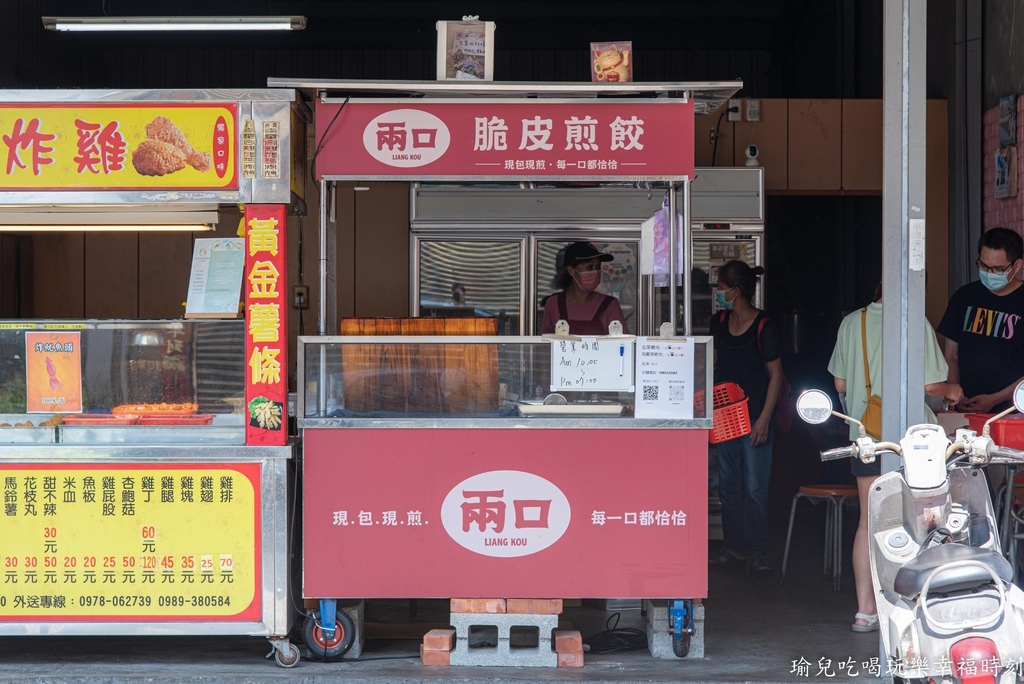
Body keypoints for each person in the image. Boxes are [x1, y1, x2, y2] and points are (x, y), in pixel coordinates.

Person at [828, 284, 962, 633]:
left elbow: (840, 385)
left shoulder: (851, 323)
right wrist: (953, 390)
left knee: (868, 523)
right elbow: (932, 386)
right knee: (924, 522)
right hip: (913, 441)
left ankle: (865, 611)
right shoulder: (915, 323)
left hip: (866, 437)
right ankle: (917, 608)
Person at [708, 260, 782, 577]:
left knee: (754, 489)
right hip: (725, 419)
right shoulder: (720, 322)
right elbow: (711, 365)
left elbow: (776, 377)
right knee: (728, 487)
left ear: (736, 291)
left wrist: (764, 419)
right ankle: (734, 546)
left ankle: (756, 550)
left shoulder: (764, 326)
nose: (718, 292)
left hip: (754, 419)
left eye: (722, 287)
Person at [938, 227, 1024, 414]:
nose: (989, 273)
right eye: (983, 266)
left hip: (1013, 412)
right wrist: (956, 395)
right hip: (965, 409)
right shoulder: (964, 297)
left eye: (998, 269)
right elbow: (951, 355)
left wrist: (995, 399)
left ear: (1017, 266)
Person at [540, 242, 629, 335]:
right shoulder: (554, 304)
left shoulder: (609, 305)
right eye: (589, 267)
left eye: (597, 267)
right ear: (571, 270)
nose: (595, 272)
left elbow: (622, 344)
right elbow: (545, 346)